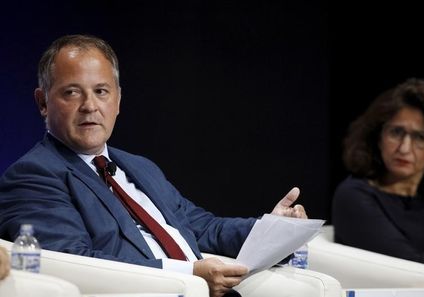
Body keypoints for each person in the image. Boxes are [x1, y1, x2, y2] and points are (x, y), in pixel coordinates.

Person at [0, 34, 307, 297]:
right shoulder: (33, 176)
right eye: (72, 92)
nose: (90, 105)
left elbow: (204, 227)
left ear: (118, 101)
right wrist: (190, 275)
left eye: (101, 91)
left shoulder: (139, 167)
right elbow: (73, 261)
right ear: (42, 102)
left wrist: (273, 230)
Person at [332, 78, 424, 270]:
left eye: (420, 137)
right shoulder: (354, 196)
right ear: (378, 137)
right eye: (396, 132)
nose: (404, 148)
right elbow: (411, 270)